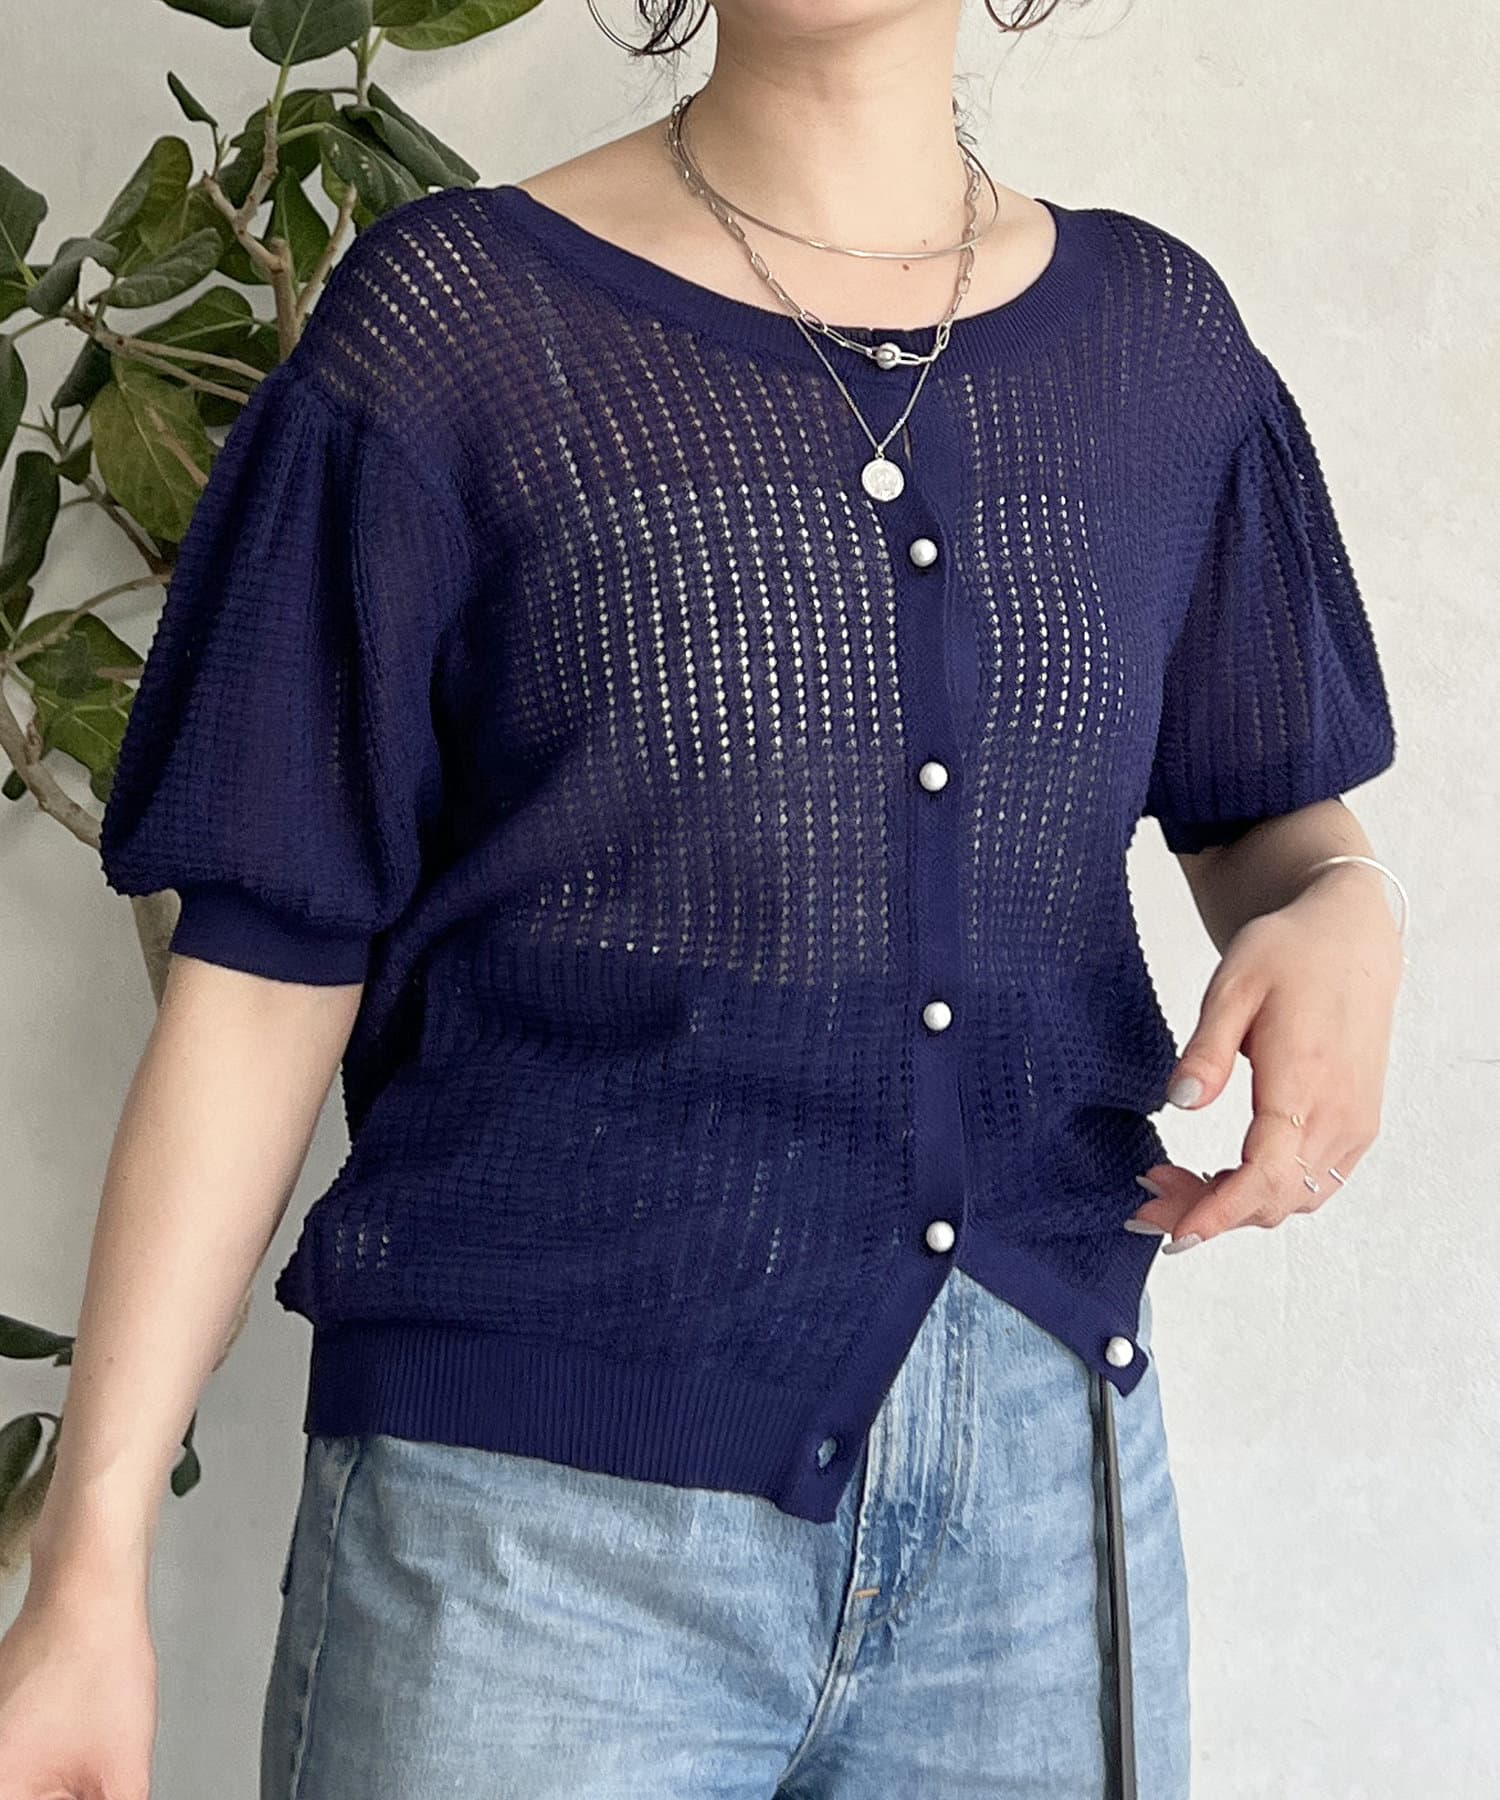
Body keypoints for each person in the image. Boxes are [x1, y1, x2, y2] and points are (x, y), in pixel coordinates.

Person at [0, 2, 1406, 1796]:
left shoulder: (1160, 342)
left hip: (1043, 1533)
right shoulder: (452, 326)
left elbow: (1267, 811)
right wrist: (90, 1562)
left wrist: (1342, 896)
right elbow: (270, 963)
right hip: (532, 1548)